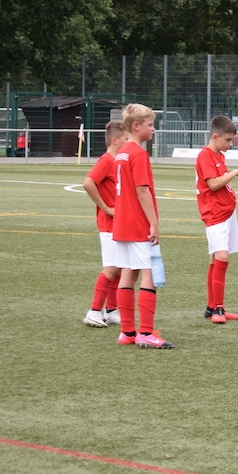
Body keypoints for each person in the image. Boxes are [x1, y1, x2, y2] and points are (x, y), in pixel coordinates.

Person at [112, 103, 173, 349]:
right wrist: (154, 223)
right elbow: (142, 190)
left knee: (128, 272)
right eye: (150, 124)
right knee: (150, 274)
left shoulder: (122, 153)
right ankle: (146, 332)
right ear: (136, 126)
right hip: (137, 224)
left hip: (122, 224)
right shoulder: (138, 154)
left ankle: (127, 332)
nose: (153, 129)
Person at [195, 115, 238, 324]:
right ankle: (218, 308)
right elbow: (213, 184)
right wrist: (234, 172)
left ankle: (213, 307)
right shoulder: (205, 155)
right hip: (215, 213)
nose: (230, 144)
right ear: (215, 137)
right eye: (227, 140)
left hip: (226, 212)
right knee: (222, 258)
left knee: (215, 259)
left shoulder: (219, 155)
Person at [81, 120, 126, 328]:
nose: (128, 142)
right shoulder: (106, 160)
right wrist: (106, 208)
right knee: (112, 267)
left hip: (120, 222)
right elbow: (88, 182)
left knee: (119, 267)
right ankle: (94, 311)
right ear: (115, 140)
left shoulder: (118, 161)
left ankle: (110, 310)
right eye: (126, 139)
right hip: (109, 223)